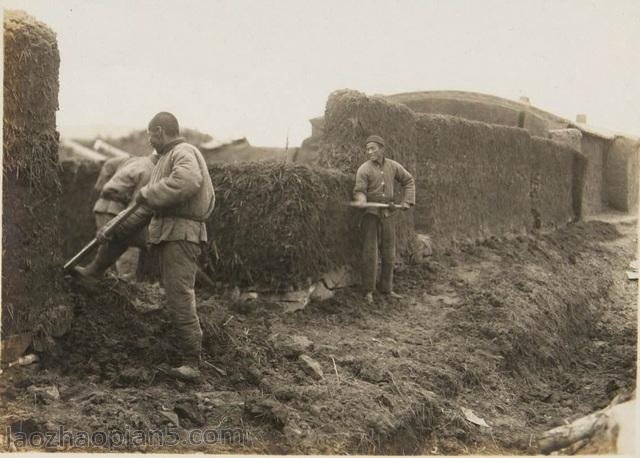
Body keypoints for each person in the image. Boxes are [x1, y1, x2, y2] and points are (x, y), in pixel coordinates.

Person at [74, 112, 215, 381]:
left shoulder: (183, 151)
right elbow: (143, 210)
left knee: (178, 293)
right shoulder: (163, 160)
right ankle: (92, 273)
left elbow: (187, 181)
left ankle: (191, 362)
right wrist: (112, 228)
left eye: (151, 134)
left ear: (159, 131)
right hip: (164, 228)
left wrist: (149, 192)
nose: (149, 140)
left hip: (182, 233)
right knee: (122, 233)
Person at [353, 135, 415, 304]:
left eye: (373, 148)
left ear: (382, 149)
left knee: (389, 252)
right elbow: (359, 190)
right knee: (370, 252)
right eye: (367, 149)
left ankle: (386, 288)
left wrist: (407, 201)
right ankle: (368, 291)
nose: (369, 152)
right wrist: (361, 200)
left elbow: (409, 181)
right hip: (371, 215)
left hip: (388, 212)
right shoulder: (363, 169)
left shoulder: (393, 166)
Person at [92, 153, 157, 279]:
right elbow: (136, 207)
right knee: (128, 250)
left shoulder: (132, 160)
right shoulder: (150, 172)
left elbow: (109, 164)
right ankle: (124, 282)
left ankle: (103, 282)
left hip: (101, 206)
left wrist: (101, 187)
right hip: (116, 210)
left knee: (106, 247)